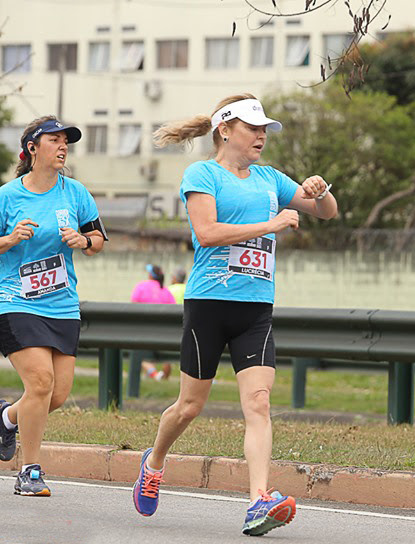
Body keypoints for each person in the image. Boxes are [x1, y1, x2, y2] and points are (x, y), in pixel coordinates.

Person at [132, 93, 338, 536]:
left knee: (259, 404)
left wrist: (321, 194)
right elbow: (206, 234)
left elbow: (326, 213)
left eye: (265, 129)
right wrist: (272, 224)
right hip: (208, 305)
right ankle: (155, 462)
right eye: (252, 127)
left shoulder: (269, 179)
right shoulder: (202, 174)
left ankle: (258, 500)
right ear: (225, 130)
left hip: (256, 309)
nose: (261, 135)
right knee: (189, 406)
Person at [0, 116, 108, 496]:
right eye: (55, 140)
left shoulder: (76, 193)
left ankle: (7, 416)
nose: (63, 147)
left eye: (67, 141)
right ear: (32, 148)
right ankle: (29, 472)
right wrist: (11, 239)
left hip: (62, 305)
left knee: (56, 395)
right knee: (41, 383)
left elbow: (98, 238)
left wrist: (83, 241)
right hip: (15, 301)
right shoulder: (8, 197)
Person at [130, 264, 174, 380]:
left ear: (150, 275)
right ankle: (163, 377)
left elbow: (133, 305)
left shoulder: (141, 287)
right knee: (165, 355)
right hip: (163, 331)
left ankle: (154, 374)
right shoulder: (165, 291)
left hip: (143, 328)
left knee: (139, 355)